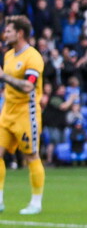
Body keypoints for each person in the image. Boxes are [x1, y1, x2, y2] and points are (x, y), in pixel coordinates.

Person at [0, 16, 45, 214]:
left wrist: (3, 77)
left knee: (30, 156)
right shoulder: (8, 56)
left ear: (19, 33)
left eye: (8, 31)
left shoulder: (33, 57)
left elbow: (28, 86)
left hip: (27, 113)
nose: (5, 34)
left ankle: (36, 202)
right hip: (7, 111)